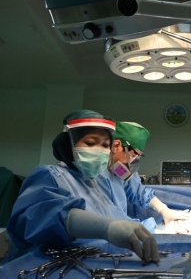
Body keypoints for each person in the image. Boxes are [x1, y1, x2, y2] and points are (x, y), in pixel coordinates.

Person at [6, 110, 159, 264]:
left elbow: (115, 217)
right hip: (35, 271)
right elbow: (36, 217)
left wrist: (141, 228)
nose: (100, 150)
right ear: (69, 143)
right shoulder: (51, 176)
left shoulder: (92, 184)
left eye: (106, 145)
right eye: (91, 143)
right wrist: (106, 228)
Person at [97, 121, 190, 226]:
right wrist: (152, 229)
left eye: (138, 157)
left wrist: (163, 209)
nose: (133, 161)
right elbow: (108, 216)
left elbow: (139, 192)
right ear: (116, 146)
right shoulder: (96, 173)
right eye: (133, 155)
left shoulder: (118, 168)